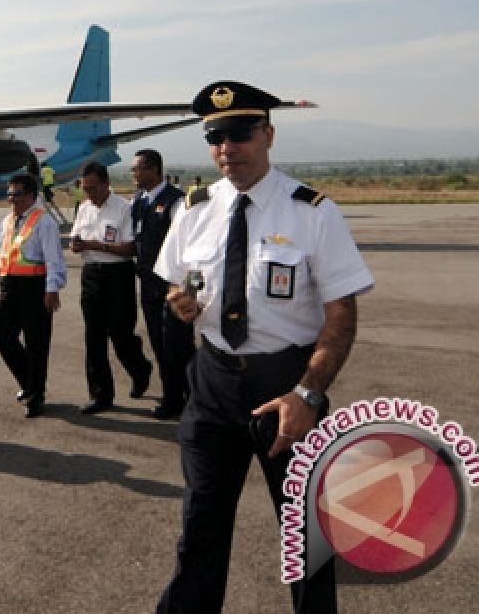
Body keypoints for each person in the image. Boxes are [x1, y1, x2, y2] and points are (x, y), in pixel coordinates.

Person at [154, 81, 374, 614]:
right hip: (211, 384)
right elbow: (172, 283)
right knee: (199, 529)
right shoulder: (193, 208)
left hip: (286, 389)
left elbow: (341, 316)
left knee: (306, 538)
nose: (226, 146)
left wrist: (308, 394)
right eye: (214, 135)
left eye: (239, 132)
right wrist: (178, 300)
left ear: (268, 135)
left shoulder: (313, 213)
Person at [68, 162, 151, 414]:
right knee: (93, 338)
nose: (89, 194)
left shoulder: (124, 208)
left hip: (118, 275)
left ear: (106, 184)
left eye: (93, 188)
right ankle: (100, 394)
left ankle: (140, 369)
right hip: (92, 275)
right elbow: (75, 238)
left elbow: (130, 248)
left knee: (121, 334)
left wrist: (97, 245)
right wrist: (78, 245)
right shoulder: (83, 208)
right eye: (85, 189)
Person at [0, 172, 67, 418]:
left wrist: (52, 289)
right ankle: (29, 381)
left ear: (31, 195)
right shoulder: (7, 221)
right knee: (2, 336)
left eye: (16, 195)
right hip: (10, 286)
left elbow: (54, 259)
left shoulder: (44, 222)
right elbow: (3, 253)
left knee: (37, 344)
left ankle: (35, 396)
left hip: (36, 288)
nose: (11, 199)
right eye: (9, 195)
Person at [130, 148, 194, 419]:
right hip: (148, 285)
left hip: (171, 288)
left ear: (153, 169)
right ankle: (172, 398)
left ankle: (191, 398)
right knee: (159, 344)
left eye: (138, 168)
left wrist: (182, 288)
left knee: (178, 347)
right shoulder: (139, 201)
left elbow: (187, 248)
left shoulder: (176, 202)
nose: (134, 173)